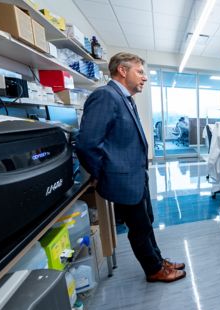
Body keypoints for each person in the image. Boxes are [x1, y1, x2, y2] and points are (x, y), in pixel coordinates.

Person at [76, 52, 186, 283]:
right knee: (138, 228)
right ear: (122, 71)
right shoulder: (105, 96)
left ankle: (158, 260)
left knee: (145, 224)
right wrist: (102, 175)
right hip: (122, 179)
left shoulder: (125, 98)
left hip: (136, 176)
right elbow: (87, 144)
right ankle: (154, 270)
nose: (144, 78)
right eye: (140, 72)